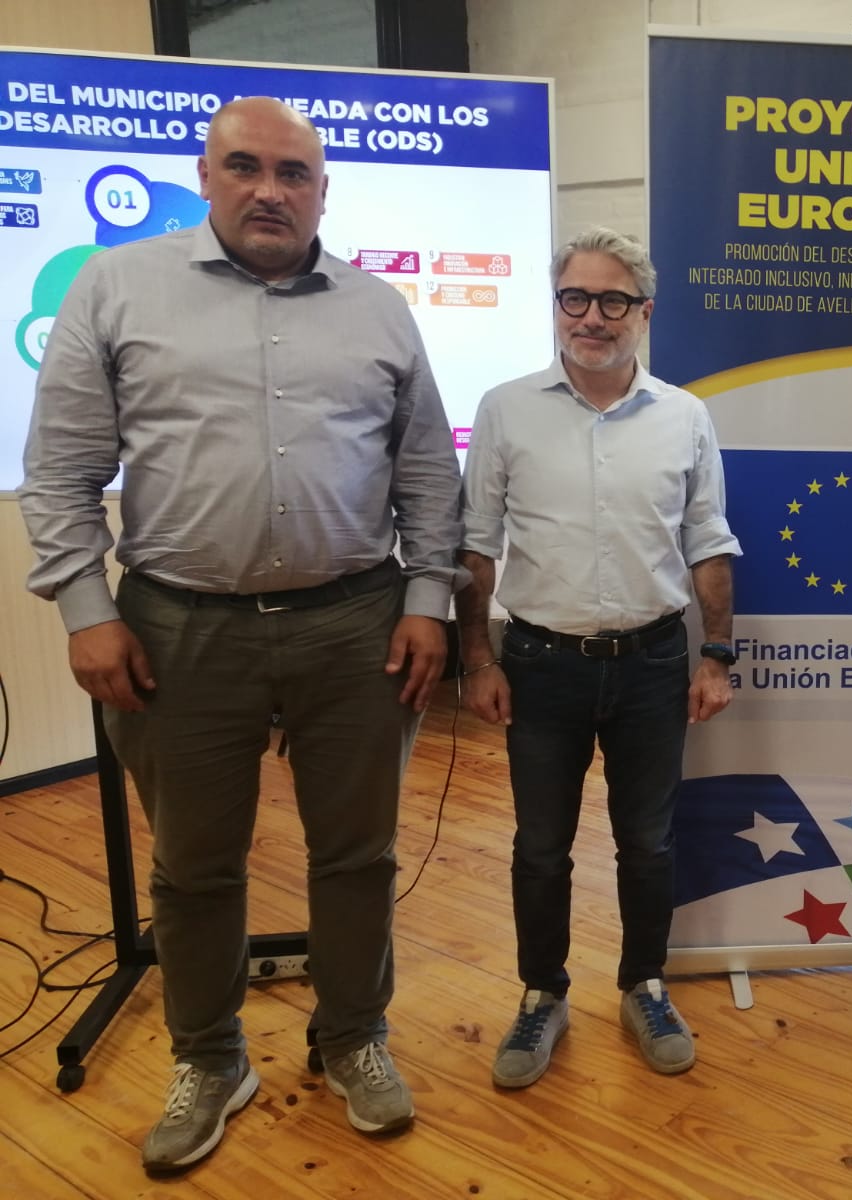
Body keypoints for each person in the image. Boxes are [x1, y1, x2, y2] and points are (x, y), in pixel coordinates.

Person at [18, 98, 464, 1172]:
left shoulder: (378, 307)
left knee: (356, 855)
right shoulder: (116, 286)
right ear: (205, 175)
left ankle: (352, 1036)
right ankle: (210, 1057)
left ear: (324, 191)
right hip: (178, 631)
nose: (270, 190)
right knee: (193, 867)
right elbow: (60, 470)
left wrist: (428, 599)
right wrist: (86, 611)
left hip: (355, 624)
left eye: (294, 173)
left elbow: (424, 473)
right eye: (246, 167)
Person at [456, 226, 740, 1088]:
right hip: (540, 665)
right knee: (541, 847)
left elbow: (708, 540)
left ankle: (643, 985)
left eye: (613, 300)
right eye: (574, 297)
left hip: (653, 665)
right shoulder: (505, 409)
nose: (591, 317)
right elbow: (475, 545)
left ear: (644, 313)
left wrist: (717, 655)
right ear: (556, 306)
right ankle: (542, 995)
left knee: (648, 843)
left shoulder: (685, 416)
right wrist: (478, 659)